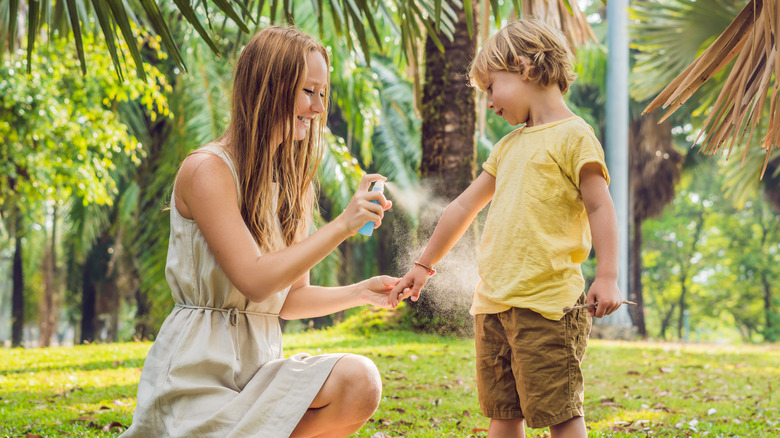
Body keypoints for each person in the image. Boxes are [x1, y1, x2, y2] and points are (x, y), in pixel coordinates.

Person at [121, 26, 401, 438]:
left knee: (360, 381)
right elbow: (254, 280)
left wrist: (359, 292)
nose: (318, 108)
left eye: (323, 94)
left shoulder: (291, 183)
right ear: (269, 88)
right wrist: (343, 225)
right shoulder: (207, 170)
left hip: (259, 373)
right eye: (309, 91)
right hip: (196, 377)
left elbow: (288, 300)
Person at [389, 19, 623, 438]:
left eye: (491, 87)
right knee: (503, 412)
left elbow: (600, 205)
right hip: (494, 305)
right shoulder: (508, 146)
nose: (490, 103)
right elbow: (462, 207)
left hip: (548, 306)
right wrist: (423, 265)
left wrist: (607, 276)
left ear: (525, 67)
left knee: (560, 412)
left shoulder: (574, 136)